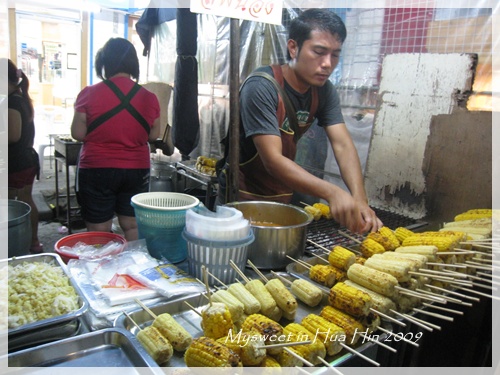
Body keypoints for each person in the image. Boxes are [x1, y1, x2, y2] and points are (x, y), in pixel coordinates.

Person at [218, 9, 382, 234]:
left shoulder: (324, 92)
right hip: (243, 193)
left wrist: (360, 199)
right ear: (293, 47)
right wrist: (333, 192)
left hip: (282, 189)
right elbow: (273, 160)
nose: (327, 64)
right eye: (319, 52)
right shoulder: (261, 86)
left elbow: (343, 145)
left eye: (335, 55)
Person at [71, 37, 160, 241]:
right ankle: (129, 268)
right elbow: (153, 135)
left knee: (99, 227)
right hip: (136, 169)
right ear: (133, 64)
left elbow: (77, 134)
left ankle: (102, 270)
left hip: (96, 168)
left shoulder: (88, 93)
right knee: (132, 224)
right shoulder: (149, 97)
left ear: (104, 63)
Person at [7, 59, 43, 253]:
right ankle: (33, 242)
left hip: (16, 163)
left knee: (16, 205)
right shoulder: (20, 98)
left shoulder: (12, 101)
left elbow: (13, 135)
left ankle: (20, 244)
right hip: (26, 160)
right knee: (26, 201)